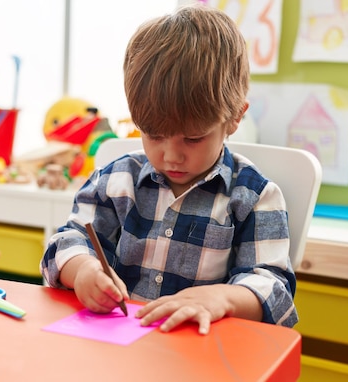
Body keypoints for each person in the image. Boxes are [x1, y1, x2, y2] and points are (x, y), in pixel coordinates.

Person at [40, 3, 298, 335]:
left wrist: (222, 298)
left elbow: (274, 289)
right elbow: (67, 242)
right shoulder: (117, 180)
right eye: (154, 135)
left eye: (192, 138)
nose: (171, 156)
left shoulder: (254, 196)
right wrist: (83, 270)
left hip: (201, 357)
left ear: (234, 117)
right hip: (115, 350)